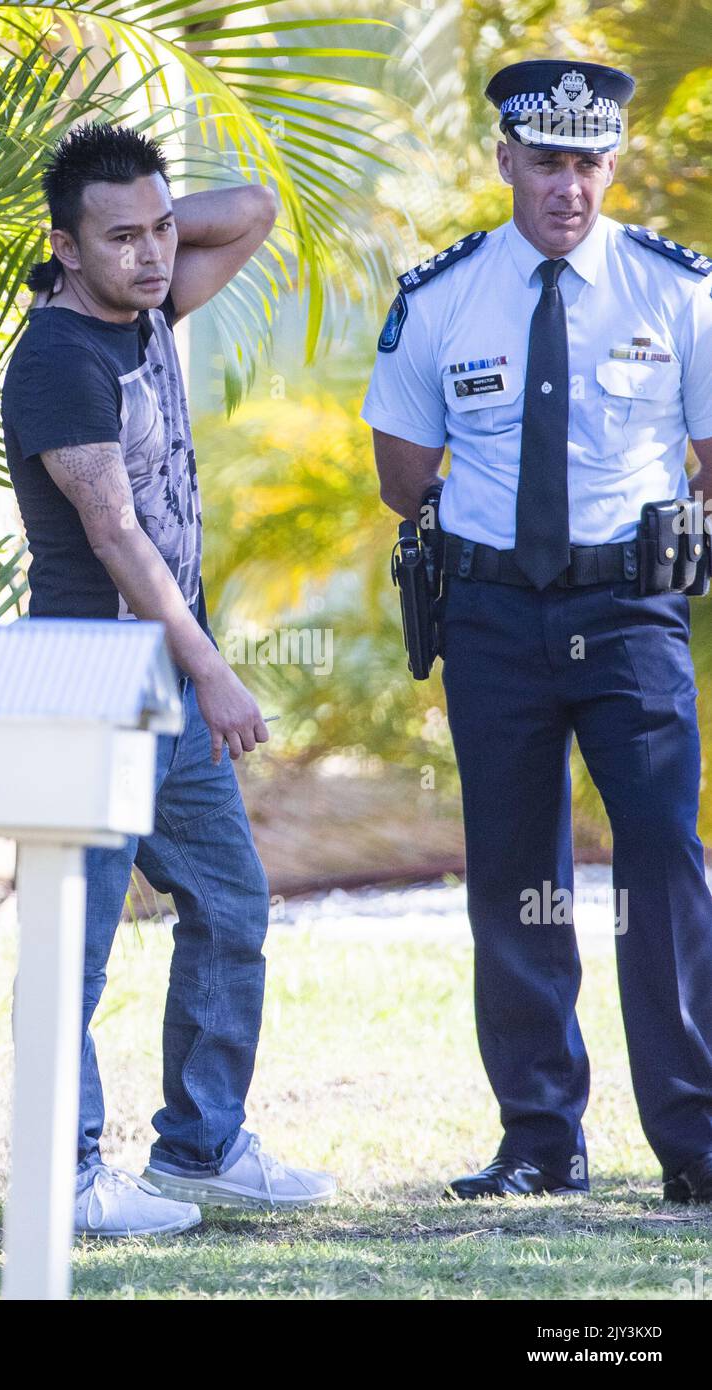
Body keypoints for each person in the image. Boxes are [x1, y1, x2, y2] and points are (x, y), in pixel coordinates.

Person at [362, 59, 712, 1204]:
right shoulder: (440, 298)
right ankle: (536, 1140)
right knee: (516, 870)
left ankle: (694, 1141)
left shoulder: (678, 294)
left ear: (609, 165)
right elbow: (403, 476)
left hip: (629, 614)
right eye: (546, 161)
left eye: (587, 163)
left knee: (661, 860)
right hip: (494, 616)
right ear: (503, 161)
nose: (567, 185)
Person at [1, 121, 335, 1236]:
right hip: (91, 680)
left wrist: (142, 218)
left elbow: (250, 210)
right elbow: (116, 536)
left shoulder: (143, 306)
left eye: (157, 234)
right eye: (120, 239)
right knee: (76, 943)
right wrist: (217, 672)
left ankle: (199, 1149)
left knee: (230, 903)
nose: (152, 256)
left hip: (164, 691)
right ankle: (70, 1172)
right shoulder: (57, 360)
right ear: (61, 247)